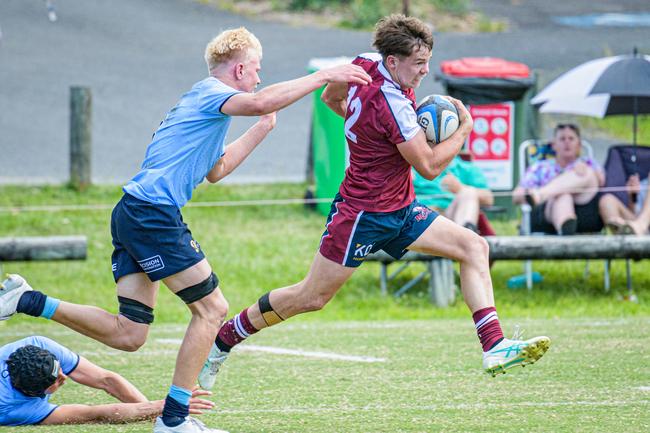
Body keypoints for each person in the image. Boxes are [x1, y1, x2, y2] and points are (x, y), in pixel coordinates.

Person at [0, 27, 371, 433]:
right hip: (152, 215)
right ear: (241, 68)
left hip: (133, 212)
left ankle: (29, 300)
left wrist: (264, 127)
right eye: (258, 70)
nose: (260, 79)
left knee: (130, 334)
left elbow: (218, 169)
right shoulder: (210, 93)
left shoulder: (205, 112)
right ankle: (175, 421)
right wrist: (324, 76)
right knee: (212, 310)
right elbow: (261, 98)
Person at [198, 14, 550, 391]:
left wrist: (367, 129)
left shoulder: (365, 62)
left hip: (400, 209)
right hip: (362, 215)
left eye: (427, 61)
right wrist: (463, 129)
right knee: (310, 297)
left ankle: (494, 345)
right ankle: (225, 339)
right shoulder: (395, 106)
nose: (424, 72)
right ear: (394, 61)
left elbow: (331, 96)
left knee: (473, 246)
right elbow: (430, 167)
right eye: (418, 64)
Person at [0, 335, 214, 427]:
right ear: (35, 394)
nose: (65, 376)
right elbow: (97, 413)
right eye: (57, 380)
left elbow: (107, 380)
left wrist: (158, 415)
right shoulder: (13, 409)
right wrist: (166, 406)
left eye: (60, 370)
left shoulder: (38, 345)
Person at [512, 123, 605, 235]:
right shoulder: (540, 167)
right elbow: (516, 196)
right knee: (563, 196)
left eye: (571, 138)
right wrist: (527, 193)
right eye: (562, 139)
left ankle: (541, 194)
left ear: (579, 145)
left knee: (586, 174)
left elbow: (602, 183)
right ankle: (566, 227)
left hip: (585, 209)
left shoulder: (588, 163)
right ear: (554, 145)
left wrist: (587, 171)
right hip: (547, 212)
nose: (567, 142)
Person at [412, 153, 494, 233]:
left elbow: (488, 199)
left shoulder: (467, 168)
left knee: (468, 191)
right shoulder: (411, 166)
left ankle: (465, 235)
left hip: (453, 216)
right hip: (420, 217)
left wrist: (460, 187)